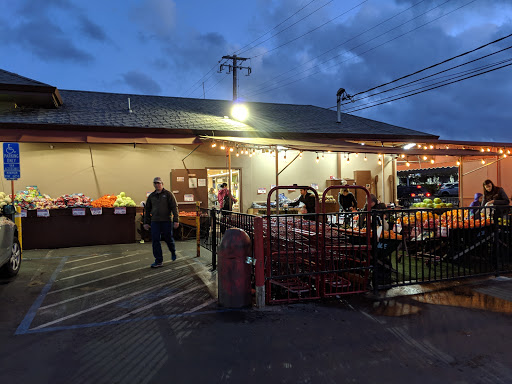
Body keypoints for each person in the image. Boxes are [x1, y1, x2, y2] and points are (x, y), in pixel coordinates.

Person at [143, 177, 179, 268]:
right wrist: (146, 222)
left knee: (168, 239)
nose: (157, 184)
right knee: (155, 241)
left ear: (162, 184)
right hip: (155, 222)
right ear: (153, 184)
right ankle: (158, 261)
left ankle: (173, 251)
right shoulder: (151, 196)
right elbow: (147, 210)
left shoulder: (168, 194)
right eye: (155, 183)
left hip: (166, 221)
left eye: (158, 183)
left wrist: (176, 220)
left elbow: (174, 207)